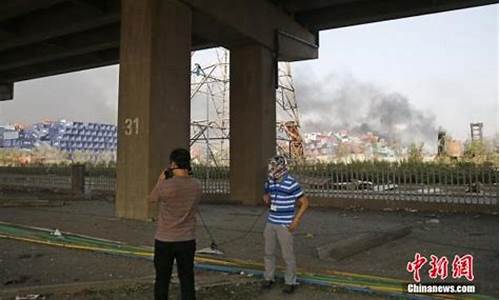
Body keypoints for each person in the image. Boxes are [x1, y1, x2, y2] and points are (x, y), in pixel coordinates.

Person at [149, 148, 202, 300]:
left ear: (172, 164)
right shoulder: (197, 185)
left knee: (162, 279)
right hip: (187, 239)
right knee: (186, 279)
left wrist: (161, 179)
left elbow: (152, 198)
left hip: (165, 239)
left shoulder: (166, 185)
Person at [261, 155, 309, 294]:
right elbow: (266, 189)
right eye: (271, 166)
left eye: (274, 166)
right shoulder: (271, 181)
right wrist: (266, 195)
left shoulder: (291, 183)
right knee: (268, 252)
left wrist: (296, 220)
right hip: (271, 222)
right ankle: (269, 278)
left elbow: (305, 202)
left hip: (284, 224)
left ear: (281, 167)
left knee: (287, 255)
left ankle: (290, 281)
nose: (271, 169)